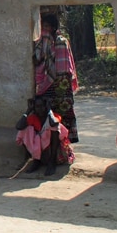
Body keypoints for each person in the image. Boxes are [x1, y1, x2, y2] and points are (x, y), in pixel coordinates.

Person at [33, 13, 79, 142]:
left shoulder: (62, 41)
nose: (45, 29)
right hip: (49, 82)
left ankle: (67, 142)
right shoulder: (42, 41)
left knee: (65, 111)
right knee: (50, 112)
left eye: (47, 26)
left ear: (53, 27)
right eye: (43, 26)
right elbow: (38, 59)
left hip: (62, 81)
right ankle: (52, 143)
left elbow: (67, 64)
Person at [15, 96, 75, 176]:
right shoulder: (33, 118)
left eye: (42, 106)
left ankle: (52, 162)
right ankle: (36, 160)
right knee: (25, 130)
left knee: (55, 127)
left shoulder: (53, 116)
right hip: (40, 150)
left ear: (46, 106)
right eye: (37, 107)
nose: (40, 109)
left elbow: (54, 123)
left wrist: (49, 109)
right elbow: (19, 126)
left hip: (53, 151)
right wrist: (28, 110)